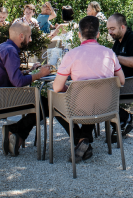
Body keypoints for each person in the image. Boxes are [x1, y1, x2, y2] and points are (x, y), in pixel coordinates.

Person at [52, 15, 126, 162]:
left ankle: (80, 139)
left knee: (53, 103)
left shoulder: (72, 55)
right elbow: (121, 81)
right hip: (107, 107)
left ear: (79, 34)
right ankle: (83, 140)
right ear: (98, 34)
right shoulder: (109, 53)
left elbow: (57, 87)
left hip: (79, 108)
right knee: (93, 99)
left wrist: (69, 89)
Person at [0, 22, 52, 155]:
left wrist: (29, 71)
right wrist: (40, 74)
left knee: (42, 102)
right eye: (29, 36)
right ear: (21, 36)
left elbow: (11, 75)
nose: (30, 40)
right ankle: (14, 131)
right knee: (45, 103)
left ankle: (17, 136)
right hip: (2, 101)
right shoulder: (11, 51)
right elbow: (18, 82)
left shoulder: (2, 47)